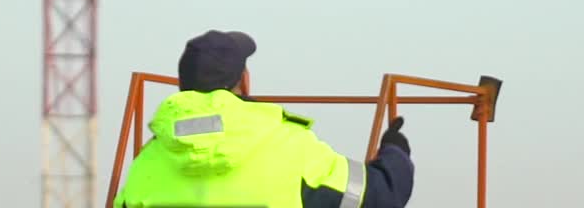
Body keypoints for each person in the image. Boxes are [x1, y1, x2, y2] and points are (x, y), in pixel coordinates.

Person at [113, 29, 415, 208]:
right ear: (244, 82)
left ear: (182, 88)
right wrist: (395, 151)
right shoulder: (288, 145)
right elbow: (378, 197)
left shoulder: (146, 161)